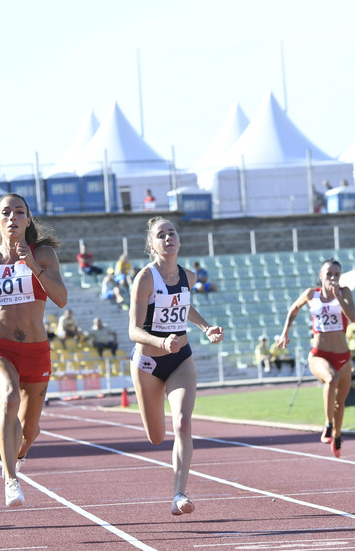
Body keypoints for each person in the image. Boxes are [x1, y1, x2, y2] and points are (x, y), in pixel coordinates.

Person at [0, 192, 67, 508]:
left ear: (28, 220)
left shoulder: (45, 255)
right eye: (6, 212)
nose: (12, 217)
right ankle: (10, 480)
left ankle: (18, 455)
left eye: (19, 212)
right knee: (8, 396)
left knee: (30, 430)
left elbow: (61, 299)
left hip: (36, 352)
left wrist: (32, 265)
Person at [127, 216, 224, 516]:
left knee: (183, 422)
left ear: (179, 240)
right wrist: (160, 343)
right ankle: (176, 488)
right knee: (156, 436)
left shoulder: (189, 277)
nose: (168, 238)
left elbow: (184, 305)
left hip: (181, 358)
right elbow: (132, 330)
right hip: (147, 363)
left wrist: (206, 327)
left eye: (172, 233)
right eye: (161, 234)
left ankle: (179, 494)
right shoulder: (144, 278)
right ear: (152, 244)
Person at [277, 257, 355, 459]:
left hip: (343, 356)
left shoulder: (344, 292)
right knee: (332, 379)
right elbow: (293, 309)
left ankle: (337, 436)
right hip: (319, 354)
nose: (333, 278)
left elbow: (353, 318)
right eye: (329, 274)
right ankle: (328, 424)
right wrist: (284, 332)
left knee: (341, 401)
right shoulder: (311, 294)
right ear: (321, 276)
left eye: (336, 275)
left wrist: (337, 297)